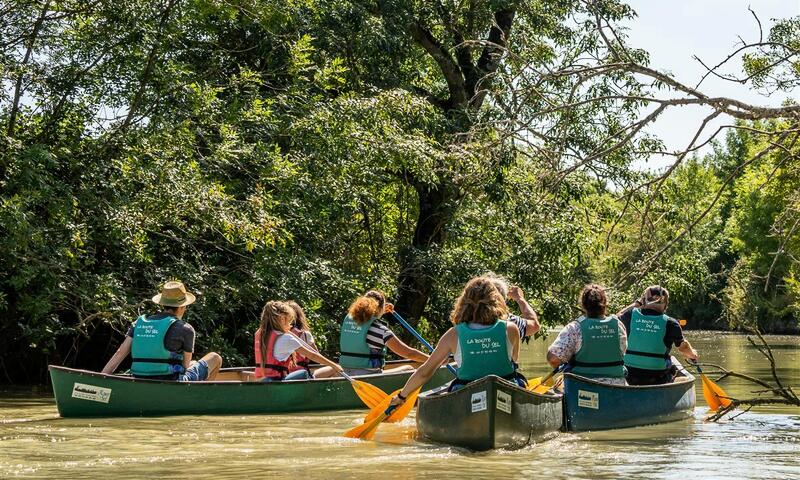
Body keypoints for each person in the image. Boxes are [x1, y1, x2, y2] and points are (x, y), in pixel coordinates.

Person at [389, 277, 523, 406]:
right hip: (505, 390)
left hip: (466, 392)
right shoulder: (511, 329)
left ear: (463, 303)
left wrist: (401, 396)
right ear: (497, 301)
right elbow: (514, 360)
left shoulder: (453, 334)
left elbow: (425, 372)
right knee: (519, 381)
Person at [101, 281, 222, 381]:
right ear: (182, 307)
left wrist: (101, 378)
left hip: (138, 377)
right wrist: (190, 364)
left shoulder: (139, 323)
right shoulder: (186, 329)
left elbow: (120, 353)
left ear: (163, 304)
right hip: (170, 381)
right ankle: (202, 399)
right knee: (215, 358)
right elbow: (185, 367)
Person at [316, 290, 429, 378]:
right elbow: (409, 354)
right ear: (379, 309)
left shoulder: (349, 319)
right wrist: (433, 359)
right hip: (367, 375)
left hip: (345, 371)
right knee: (409, 368)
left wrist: (382, 309)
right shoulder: (381, 331)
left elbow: (366, 316)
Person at [546, 284, 628, 385]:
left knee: (560, 383)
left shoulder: (574, 328)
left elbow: (553, 359)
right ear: (605, 303)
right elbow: (623, 351)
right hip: (616, 387)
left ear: (583, 305)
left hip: (581, 388)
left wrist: (568, 364)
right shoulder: (618, 326)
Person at [618, 285, 699, 385]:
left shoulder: (629, 315)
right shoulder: (671, 323)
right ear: (665, 304)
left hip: (628, 374)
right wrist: (693, 355)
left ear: (644, 301)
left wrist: (636, 304)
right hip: (657, 376)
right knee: (675, 370)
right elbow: (684, 348)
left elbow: (616, 318)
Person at [255, 301, 343, 381]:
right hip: (277, 382)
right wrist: (334, 365)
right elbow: (313, 355)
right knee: (303, 373)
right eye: (289, 320)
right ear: (282, 319)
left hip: (264, 380)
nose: (290, 324)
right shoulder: (286, 338)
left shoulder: (260, 334)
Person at [484, 273, 541, 341]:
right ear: (503, 299)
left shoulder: (468, 321)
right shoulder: (510, 322)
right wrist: (519, 298)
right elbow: (534, 325)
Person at [285, 300, 317, 375]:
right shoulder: (305, 334)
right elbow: (316, 355)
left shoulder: (279, 334)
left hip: (284, 373)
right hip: (300, 373)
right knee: (333, 369)